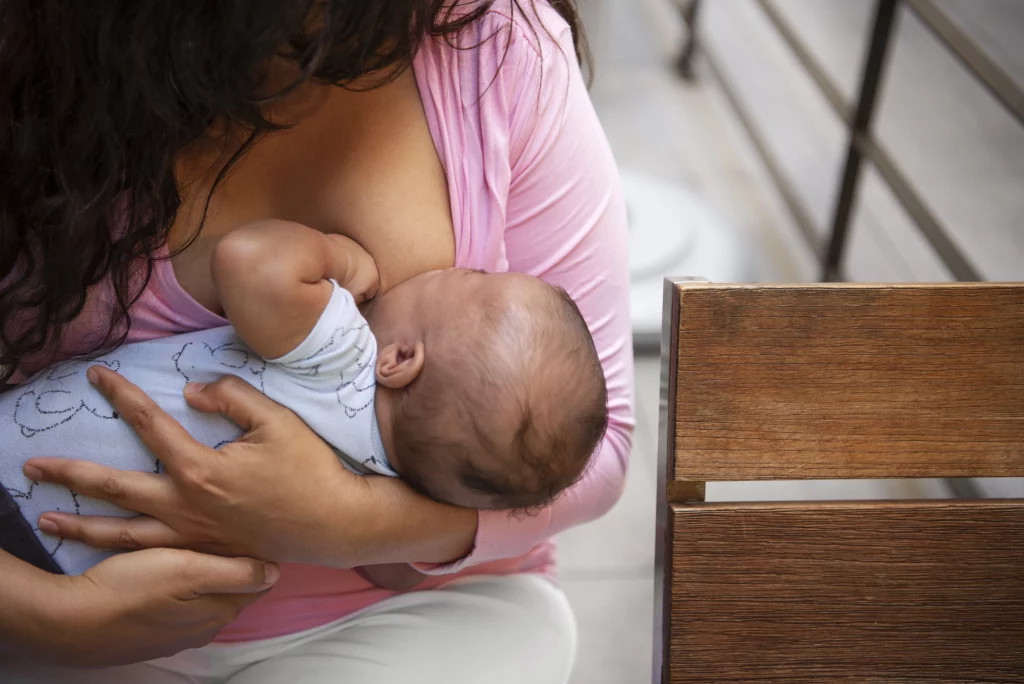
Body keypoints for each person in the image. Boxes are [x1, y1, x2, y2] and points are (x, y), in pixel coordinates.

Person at [0, 0, 633, 681]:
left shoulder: (493, 42)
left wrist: (346, 521)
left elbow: (602, 451)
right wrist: (45, 614)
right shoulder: (31, 64)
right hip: (54, 592)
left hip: (420, 620)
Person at [2, 219, 608, 578]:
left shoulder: (346, 356)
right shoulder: (385, 482)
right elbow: (393, 575)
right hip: (65, 556)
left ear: (400, 360)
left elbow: (247, 260)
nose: (464, 267)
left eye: (473, 280)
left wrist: (343, 258)